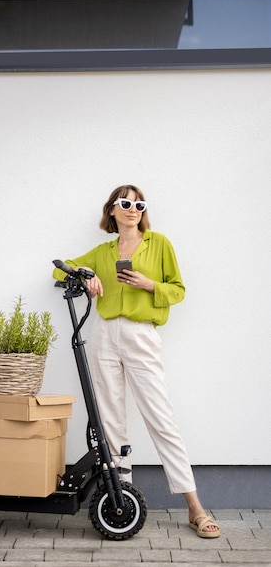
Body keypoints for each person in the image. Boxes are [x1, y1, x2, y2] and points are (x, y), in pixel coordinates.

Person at [53, 184, 220, 539]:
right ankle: (119, 503)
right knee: (110, 422)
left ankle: (195, 508)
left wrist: (148, 285)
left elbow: (178, 289)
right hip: (103, 335)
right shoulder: (102, 250)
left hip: (141, 334)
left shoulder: (158, 243)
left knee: (162, 420)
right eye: (125, 203)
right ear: (112, 210)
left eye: (139, 204)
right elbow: (58, 270)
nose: (133, 209)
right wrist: (87, 273)